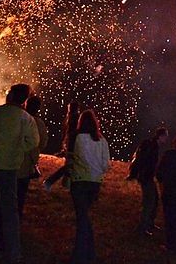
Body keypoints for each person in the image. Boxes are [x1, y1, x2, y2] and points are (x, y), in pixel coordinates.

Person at [0, 84, 40, 264]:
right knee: (10, 211)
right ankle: (14, 253)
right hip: (10, 168)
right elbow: (34, 142)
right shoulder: (26, 118)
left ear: (11, 95)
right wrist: (18, 149)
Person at [69, 109, 110, 263]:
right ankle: (88, 253)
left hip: (80, 181)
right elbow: (106, 165)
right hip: (95, 183)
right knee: (84, 216)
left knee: (82, 218)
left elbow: (77, 158)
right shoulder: (102, 140)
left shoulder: (78, 138)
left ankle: (82, 255)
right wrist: (98, 171)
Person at [127, 127, 168, 236]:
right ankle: (143, 227)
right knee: (149, 202)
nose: (166, 139)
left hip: (147, 177)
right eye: (165, 136)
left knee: (154, 200)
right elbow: (147, 162)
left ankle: (149, 224)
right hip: (146, 177)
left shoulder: (153, 145)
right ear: (161, 136)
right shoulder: (153, 146)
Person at [15, 95, 48, 220]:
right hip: (26, 165)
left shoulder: (17, 117)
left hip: (10, 161)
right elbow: (43, 142)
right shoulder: (39, 123)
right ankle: (16, 217)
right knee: (21, 194)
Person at [43, 101, 79, 191]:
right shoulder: (75, 118)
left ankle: (66, 184)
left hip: (70, 145)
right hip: (73, 146)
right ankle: (50, 181)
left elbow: (67, 134)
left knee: (70, 167)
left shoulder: (70, 118)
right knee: (69, 167)